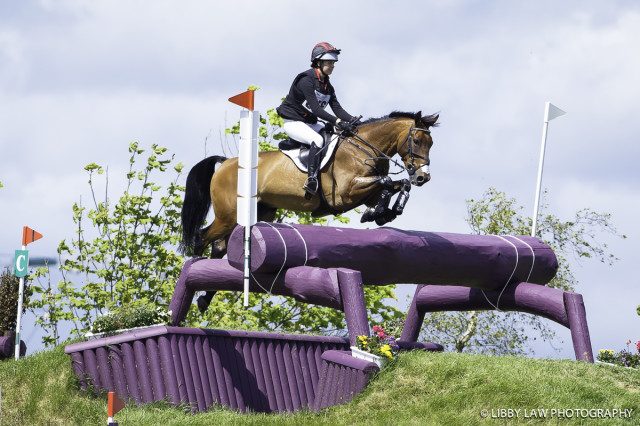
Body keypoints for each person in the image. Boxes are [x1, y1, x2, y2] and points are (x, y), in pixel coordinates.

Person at [277, 42, 359, 196]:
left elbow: (338, 109)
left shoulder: (327, 86)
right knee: (318, 140)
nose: (332, 66)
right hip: (293, 122)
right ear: (318, 63)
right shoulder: (306, 80)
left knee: (334, 137)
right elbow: (315, 109)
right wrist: (338, 122)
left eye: (333, 63)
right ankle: (312, 180)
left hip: (308, 123)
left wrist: (355, 121)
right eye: (329, 63)